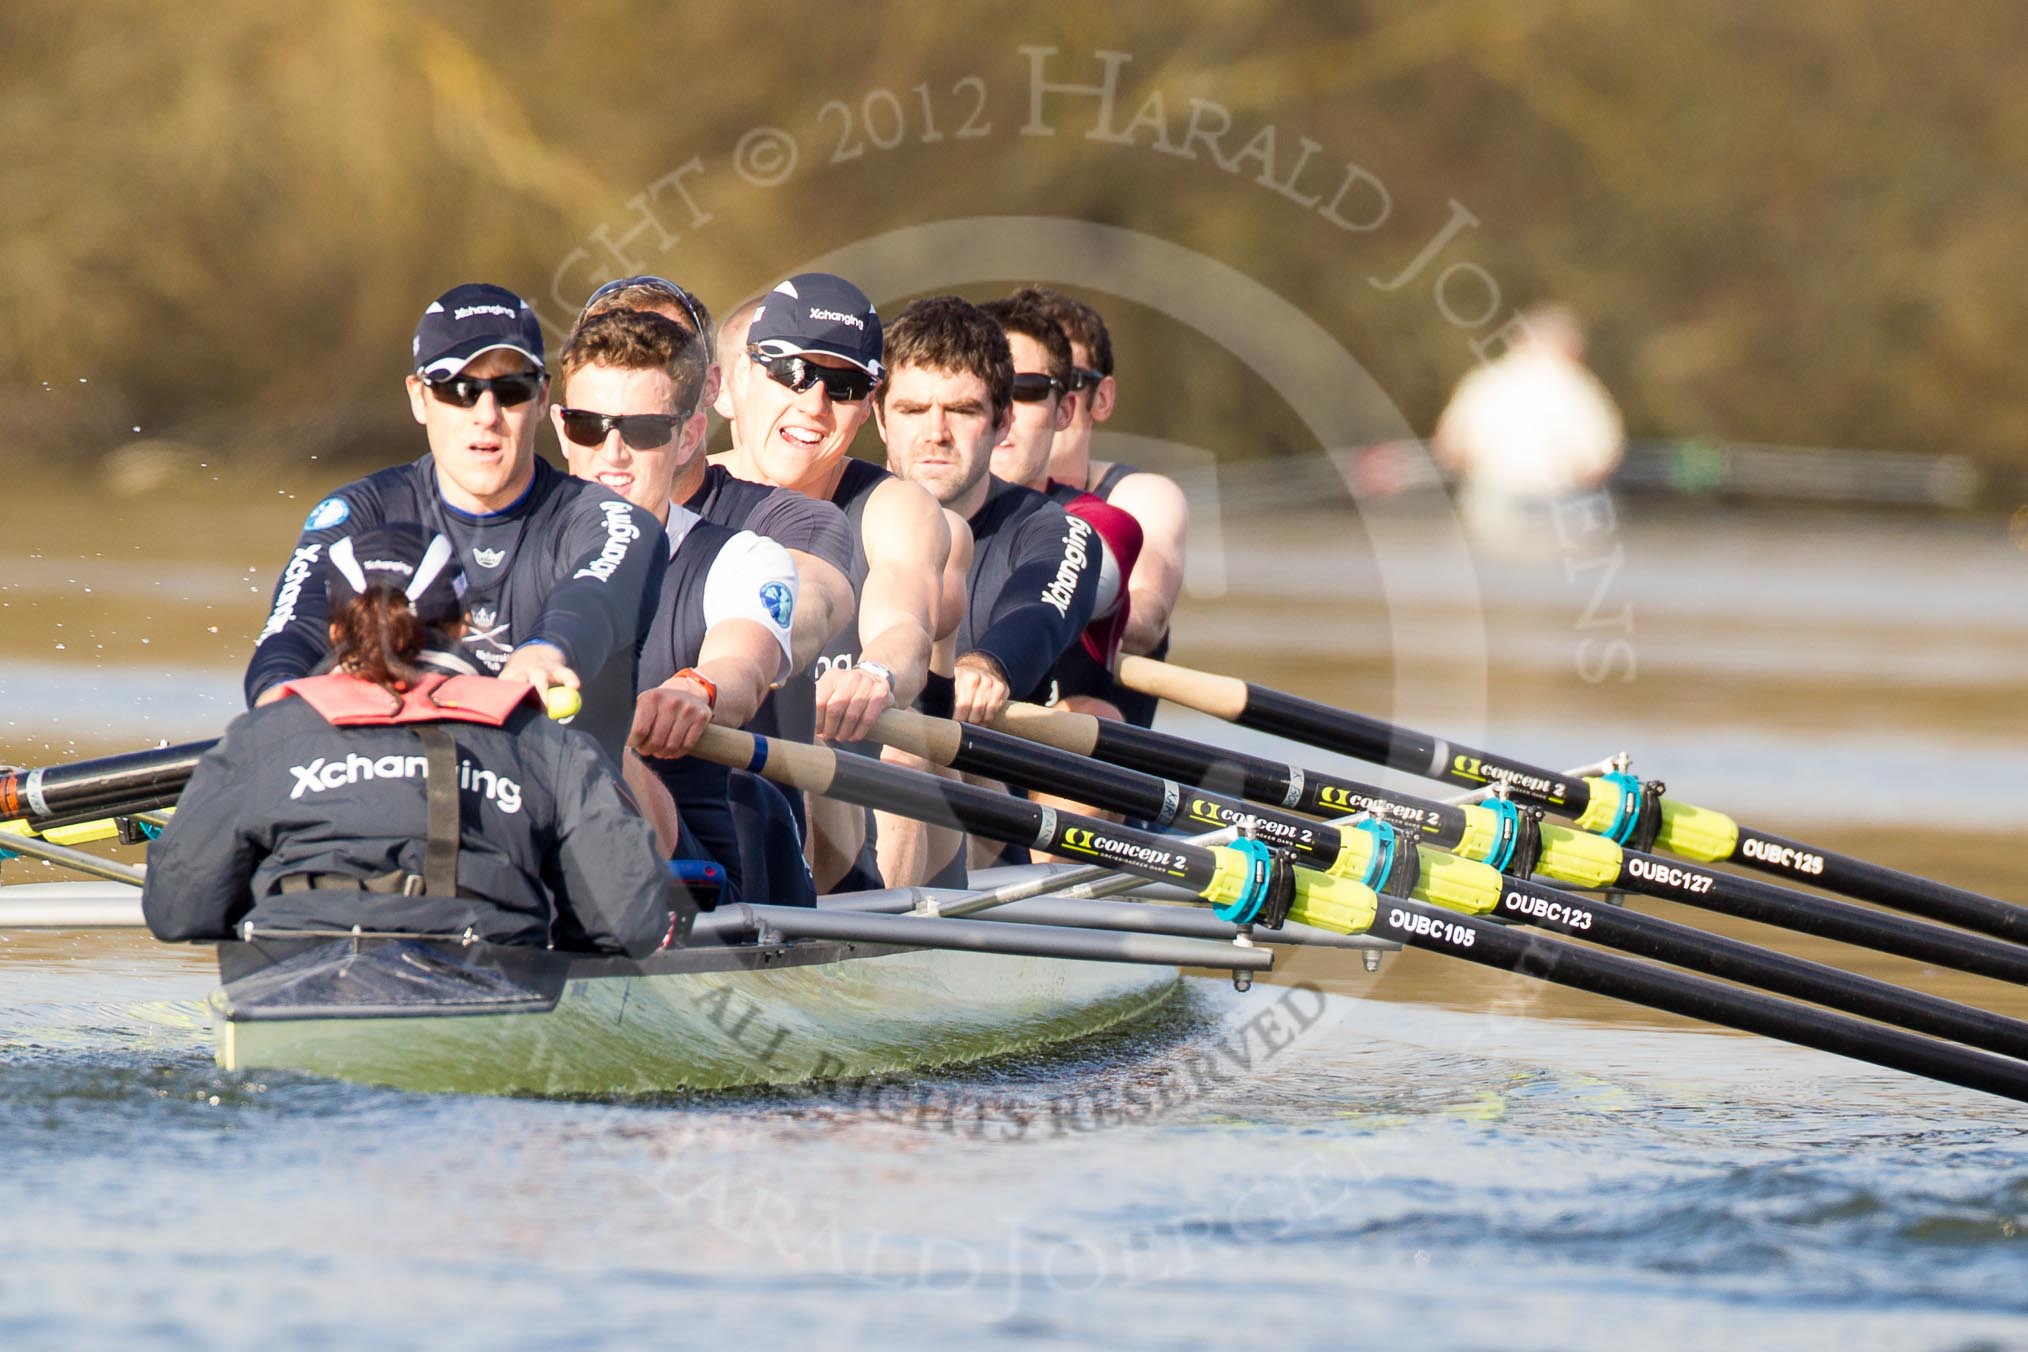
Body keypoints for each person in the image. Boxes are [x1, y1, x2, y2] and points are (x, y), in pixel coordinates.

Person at [146, 525, 683, 956]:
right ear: (464, 625)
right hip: (490, 993)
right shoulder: (547, 746)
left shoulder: (260, 738)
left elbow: (178, 912)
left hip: (292, 987)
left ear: (335, 630)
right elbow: (629, 922)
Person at [244, 283, 667, 769]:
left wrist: (545, 653)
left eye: (511, 390)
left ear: (541, 396)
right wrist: (274, 703)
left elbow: (592, 599)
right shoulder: (361, 512)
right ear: (419, 398)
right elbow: (292, 630)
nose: (486, 416)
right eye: (459, 390)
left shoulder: (610, 521)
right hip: (387, 797)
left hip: (564, 817)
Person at [552, 307, 813, 905]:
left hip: (701, 877)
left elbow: (743, 670)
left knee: (594, 742)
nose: (612, 453)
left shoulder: (744, 559)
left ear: (688, 437)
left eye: (642, 430)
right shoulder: (502, 551)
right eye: (592, 426)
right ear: (564, 428)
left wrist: (696, 689)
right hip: (529, 833)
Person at [722, 273, 956, 892]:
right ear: (737, 380)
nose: (815, 406)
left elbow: (904, 624)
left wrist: (875, 675)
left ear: (869, 405)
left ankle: (882, 957)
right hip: (732, 788)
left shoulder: (896, 508)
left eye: (845, 386)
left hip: (867, 813)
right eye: (793, 373)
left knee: (886, 735)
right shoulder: (677, 492)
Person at [876, 296, 1101, 874]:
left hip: (980, 829)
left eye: (962, 410)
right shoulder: (827, 512)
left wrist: (991, 667)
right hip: (830, 805)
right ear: (880, 417)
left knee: (914, 742)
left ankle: (874, 945)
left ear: (1000, 422)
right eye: (911, 409)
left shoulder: (1054, 531)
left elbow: (1041, 611)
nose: (936, 434)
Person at [1012, 286, 1188, 728]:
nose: (1044, 404)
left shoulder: (1141, 496)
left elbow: (1147, 616)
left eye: (1064, 382)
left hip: (1093, 759)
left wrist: (1061, 595)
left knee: (1090, 716)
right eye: (1017, 385)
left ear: (1100, 399)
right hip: (983, 752)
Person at [978, 296, 1143, 719]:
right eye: (984, 389)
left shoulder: (1098, 523)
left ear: (1064, 409)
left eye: (1026, 390)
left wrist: (985, 667)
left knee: (1092, 714)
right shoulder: (887, 509)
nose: (1004, 412)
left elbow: (1074, 566)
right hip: (912, 747)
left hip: (1034, 764)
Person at [1432, 304, 1625, 549]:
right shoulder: (1578, 387)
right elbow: (1600, 458)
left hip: (1491, 500)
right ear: (1568, 346)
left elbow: (1450, 448)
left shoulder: (1483, 380)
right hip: (1560, 503)